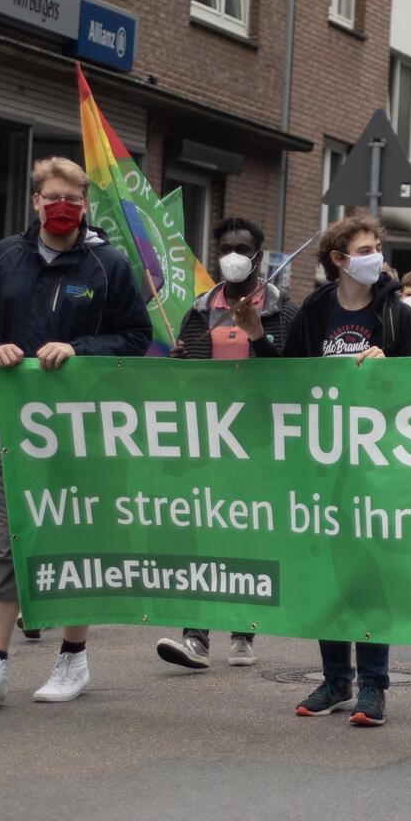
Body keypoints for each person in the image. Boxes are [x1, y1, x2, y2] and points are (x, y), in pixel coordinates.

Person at [0, 158, 151, 706]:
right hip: (10, 424)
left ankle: (72, 657)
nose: (62, 206)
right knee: (3, 540)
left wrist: (78, 348)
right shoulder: (3, 257)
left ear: (85, 205)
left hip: (82, 428)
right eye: (52, 197)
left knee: (75, 536)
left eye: (72, 198)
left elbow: (135, 336)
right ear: (35, 202)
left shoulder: (108, 265)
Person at [282, 216, 411, 726]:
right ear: (339, 260)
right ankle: (336, 680)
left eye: (378, 247)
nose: (376, 256)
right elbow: (289, 376)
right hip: (325, 463)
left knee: (370, 572)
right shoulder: (316, 309)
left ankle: (374, 685)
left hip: (379, 466)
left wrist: (391, 370)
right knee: (331, 573)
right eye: (365, 249)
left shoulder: (397, 314)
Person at [155, 216, 296, 672]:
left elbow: (293, 371)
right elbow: (183, 378)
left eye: (242, 248)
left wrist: (259, 335)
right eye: (225, 248)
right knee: (201, 532)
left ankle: (243, 629)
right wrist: (178, 363)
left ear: (258, 256)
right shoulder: (200, 310)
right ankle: (195, 636)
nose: (233, 256)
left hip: (258, 441)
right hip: (207, 439)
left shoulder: (280, 309)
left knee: (246, 532)